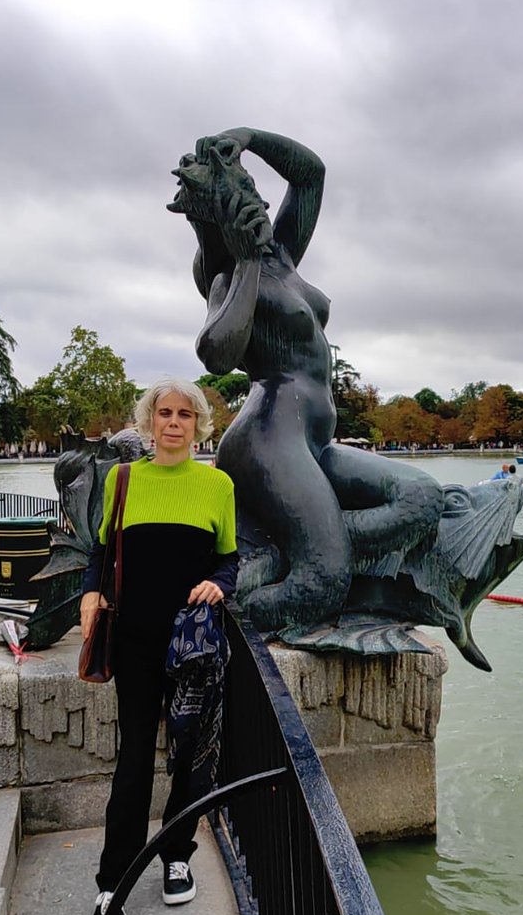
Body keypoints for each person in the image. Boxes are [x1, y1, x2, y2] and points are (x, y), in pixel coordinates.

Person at [168, 128, 444, 636]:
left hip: (311, 439)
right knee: (320, 582)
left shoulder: (286, 255)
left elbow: (310, 174)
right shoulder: (227, 276)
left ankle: (281, 548)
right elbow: (216, 355)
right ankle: (206, 617)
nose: (256, 199)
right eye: (241, 196)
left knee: (421, 499)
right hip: (268, 440)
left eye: (251, 187)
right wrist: (247, 259)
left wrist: (248, 136)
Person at [80, 379, 238, 915]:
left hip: (193, 644)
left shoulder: (218, 485)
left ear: (199, 424)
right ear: (150, 423)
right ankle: (112, 881)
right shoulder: (122, 480)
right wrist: (90, 593)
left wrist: (219, 585)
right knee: (135, 759)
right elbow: (102, 551)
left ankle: (177, 852)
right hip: (137, 642)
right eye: (164, 413)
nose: (174, 422)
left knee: (192, 753)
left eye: (185, 414)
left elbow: (229, 559)